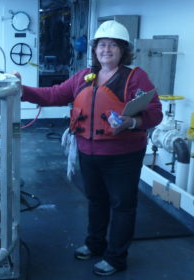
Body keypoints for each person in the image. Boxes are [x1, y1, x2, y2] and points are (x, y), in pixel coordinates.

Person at [16, 20, 163, 276]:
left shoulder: (135, 77)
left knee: (122, 206)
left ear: (123, 49)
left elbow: (155, 113)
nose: (106, 49)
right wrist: (21, 90)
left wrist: (131, 121)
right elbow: (53, 94)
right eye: (102, 44)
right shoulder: (85, 76)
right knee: (95, 201)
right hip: (88, 152)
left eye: (113, 45)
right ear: (95, 49)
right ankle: (95, 244)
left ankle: (116, 258)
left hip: (123, 156)